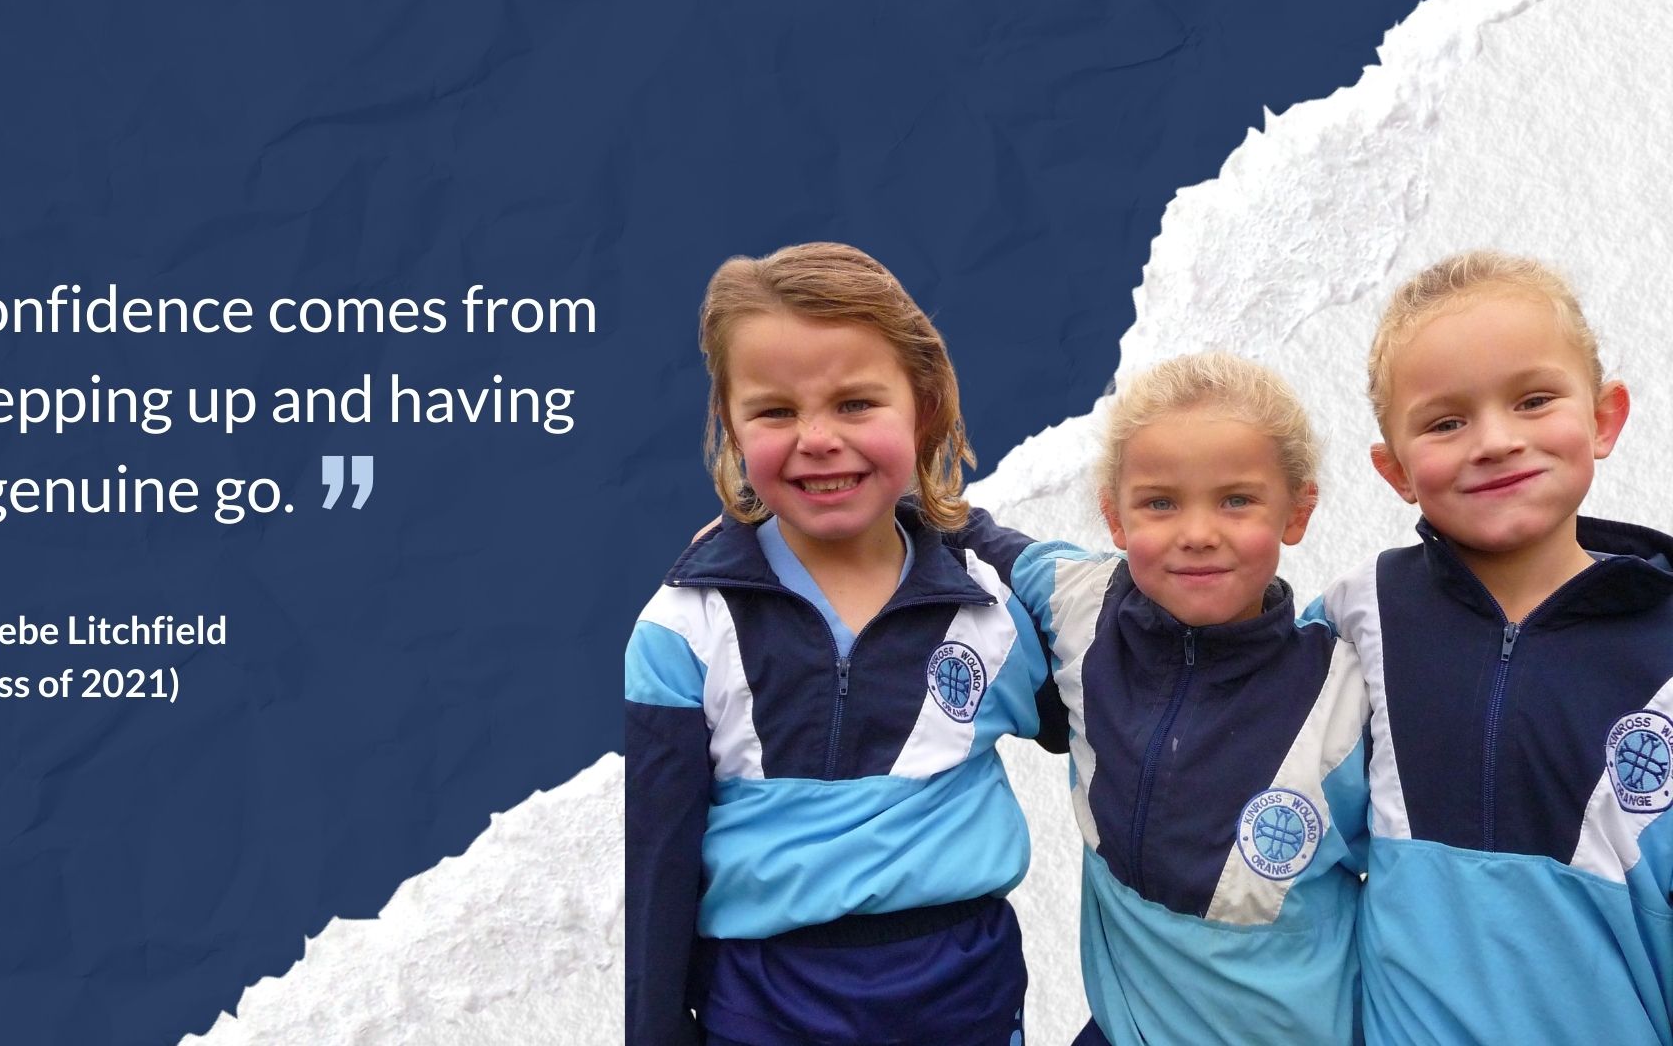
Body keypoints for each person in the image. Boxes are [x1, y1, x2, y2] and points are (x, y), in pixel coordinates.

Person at [624, 242, 1066, 1045]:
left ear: (923, 407)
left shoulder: (996, 607)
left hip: (964, 999)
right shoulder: (684, 628)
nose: (818, 438)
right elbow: (659, 865)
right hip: (762, 1008)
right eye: (775, 411)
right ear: (731, 424)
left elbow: (1131, 720)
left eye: (857, 403)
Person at [958, 352, 1369, 1045]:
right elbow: (965, 533)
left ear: (1297, 511)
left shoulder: (1347, 699)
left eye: (1236, 500)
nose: (1198, 533)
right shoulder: (1081, 606)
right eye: (1160, 503)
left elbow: (1424, 906)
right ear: (1114, 517)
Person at [1316, 251, 1673, 1044]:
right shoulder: (1360, 616)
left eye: (1534, 400)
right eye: (1446, 422)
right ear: (1395, 469)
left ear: (1604, 418)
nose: (1496, 441)